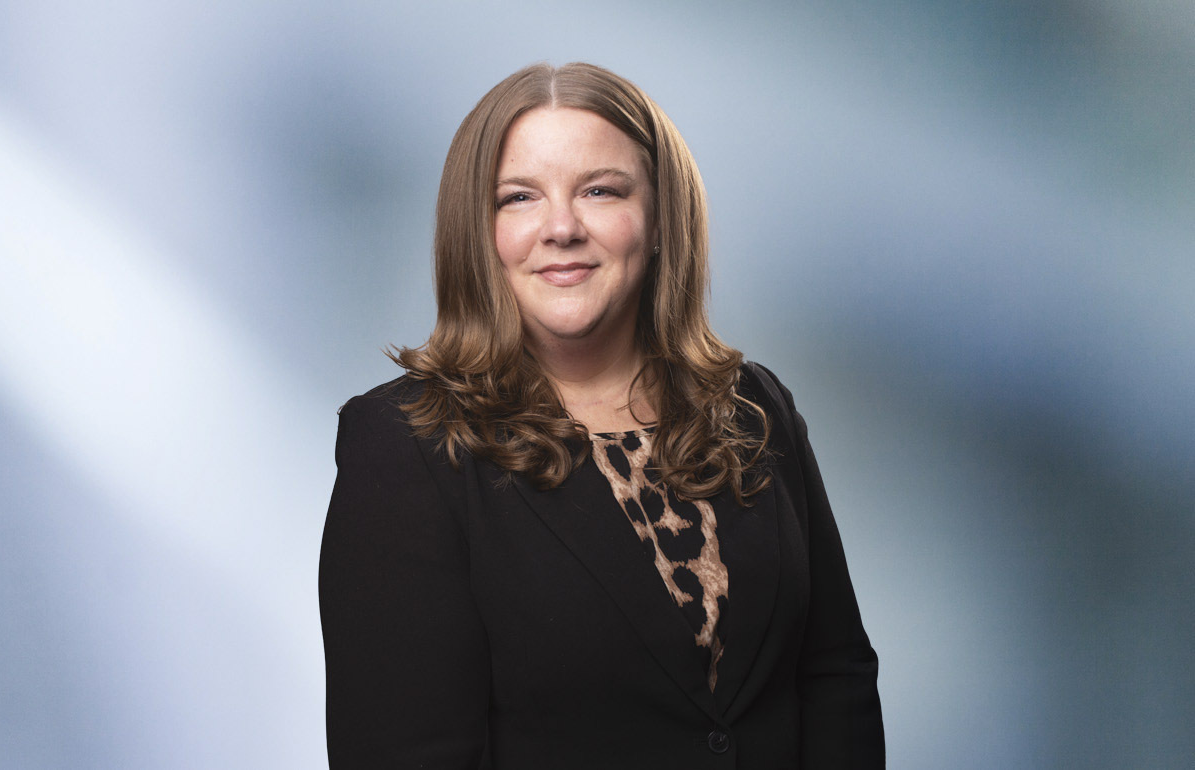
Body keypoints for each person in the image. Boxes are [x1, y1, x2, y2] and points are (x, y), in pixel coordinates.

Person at [319, 62, 884, 769]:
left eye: (599, 190)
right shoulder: (407, 445)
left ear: (657, 221)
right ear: (477, 232)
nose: (561, 227)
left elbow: (835, 674)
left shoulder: (753, 406)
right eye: (519, 197)